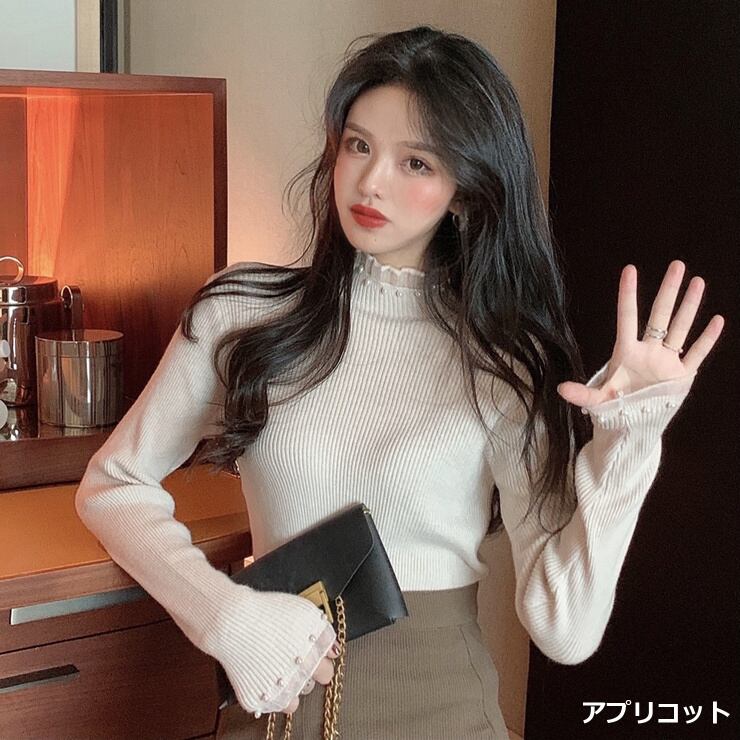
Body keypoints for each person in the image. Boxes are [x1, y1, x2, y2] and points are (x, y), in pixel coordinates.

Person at [75, 25, 724, 740]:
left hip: (446, 714)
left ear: (465, 191)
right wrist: (224, 615)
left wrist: (628, 444)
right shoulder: (242, 312)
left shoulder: (503, 362)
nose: (371, 181)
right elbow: (113, 484)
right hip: (281, 706)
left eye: (415, 161)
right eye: (359, 145)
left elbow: (565, 631)